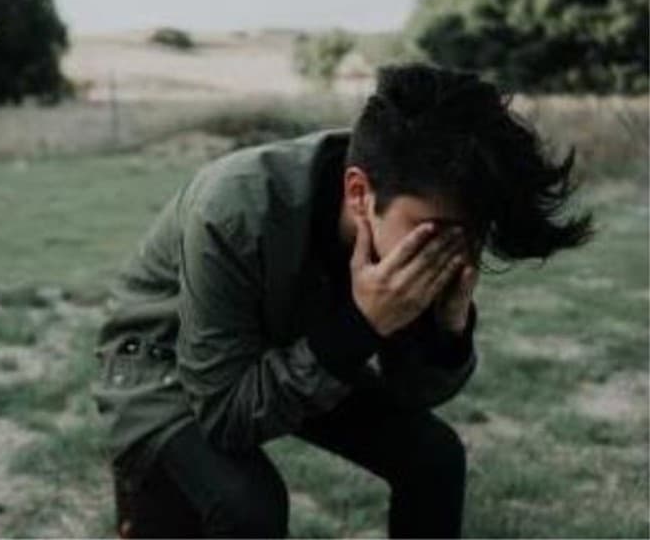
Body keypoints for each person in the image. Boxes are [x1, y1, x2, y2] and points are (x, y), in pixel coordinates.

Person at [91, 63, 595, 538]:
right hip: (165, 363)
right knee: (249, 504)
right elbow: (225, 415)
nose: (452, 252)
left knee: (435, 457)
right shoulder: (235, 209)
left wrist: (447, 332)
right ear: (358, 194)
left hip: (290, 346)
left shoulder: (407, 207)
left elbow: (412, 393)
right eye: (437, 232)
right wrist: (360, 325)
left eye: (471, 234)